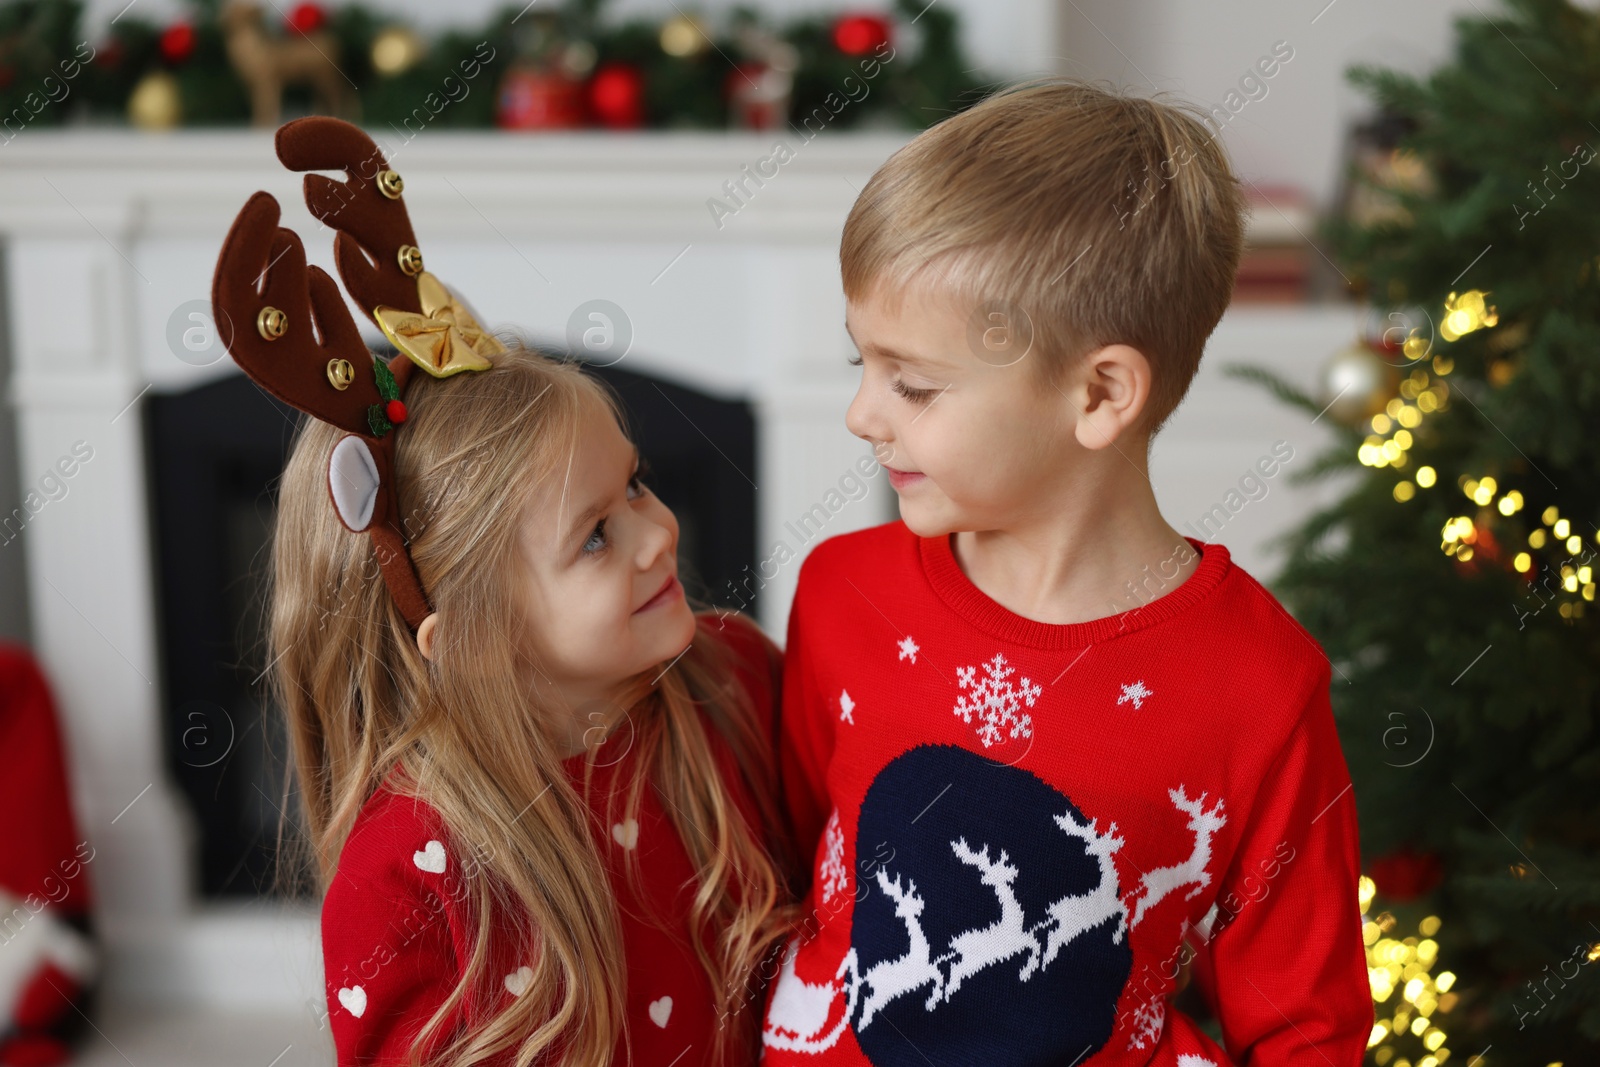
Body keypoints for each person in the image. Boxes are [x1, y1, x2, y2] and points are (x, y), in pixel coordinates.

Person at [759, 79, 1372, 1066]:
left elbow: (1307, 1030)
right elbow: (791, 873)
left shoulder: (1258, 685)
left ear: (1099, 394)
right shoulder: (843, 591)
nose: (863, 414)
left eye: (912, 382)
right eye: (858, 364)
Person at [211, 117, 799, 1066]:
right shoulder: (407, 871)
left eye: (637, 483)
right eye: (596, 535)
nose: (660, 534)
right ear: (473, 636)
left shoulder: (734, 676)